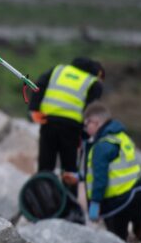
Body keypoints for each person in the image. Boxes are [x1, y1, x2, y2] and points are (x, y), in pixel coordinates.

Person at [83, 102, 141, 243]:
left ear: (96, 122)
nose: (85, 128)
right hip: (138, 190)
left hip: (119, 200)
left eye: (86, 124)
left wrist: (95, 202)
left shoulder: (102, 145)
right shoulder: (122, 137)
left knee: (117, 238)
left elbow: (100, 177)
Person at [28, 57, 104, 195]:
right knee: (69, 169)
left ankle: (42, 202)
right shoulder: (93, 83)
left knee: (45, 166)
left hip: (48, 121)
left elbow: (39, 85)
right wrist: (85, 134)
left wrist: (34, 109)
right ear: (98, 74)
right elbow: (91, 111)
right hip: (72, 127)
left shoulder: (58, 70)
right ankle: (69, 205)